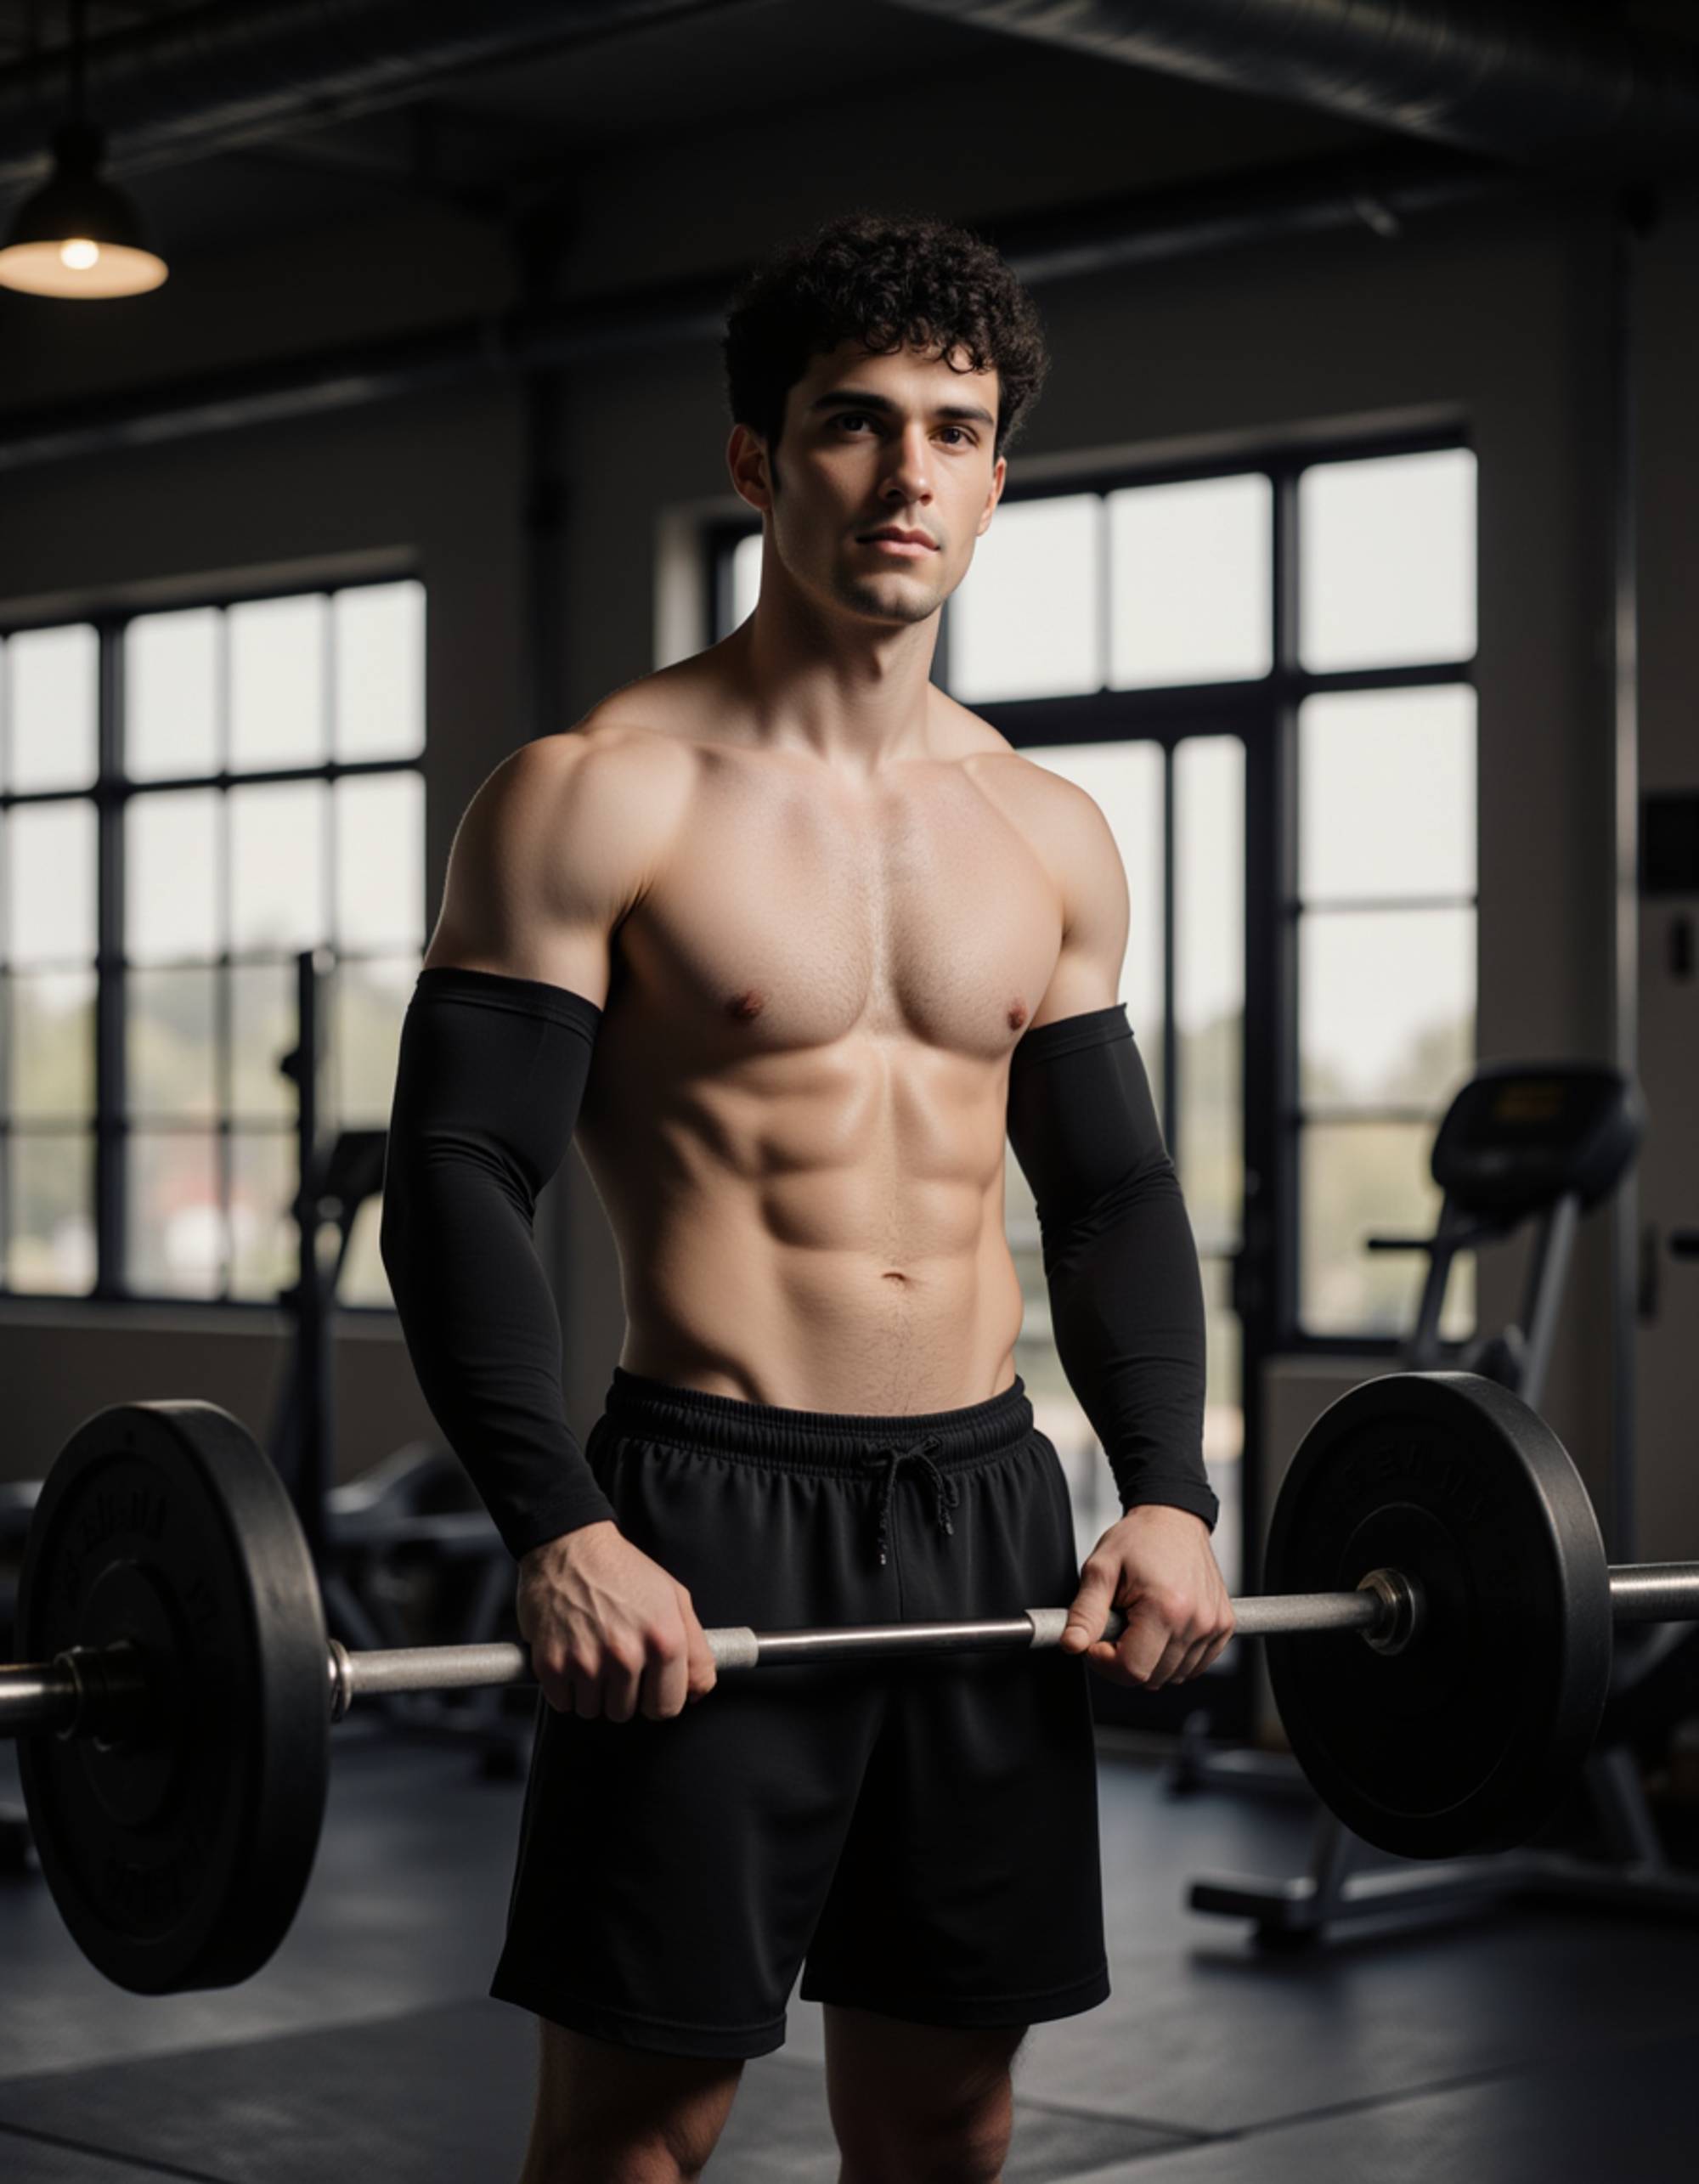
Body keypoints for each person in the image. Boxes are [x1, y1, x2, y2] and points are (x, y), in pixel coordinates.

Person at [380, 207, 1234, 2184]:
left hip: (989, 1508)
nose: (908, 471)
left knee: (950, 2108)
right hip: (705, 1500)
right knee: (637, 2123)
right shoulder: (600, 791)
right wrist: (557, 1525)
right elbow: (458, 1171)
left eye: (955, 427)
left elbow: (1109, 1198)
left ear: (998, 477)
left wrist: (1169, 1491)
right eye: (856, 423)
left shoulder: (1048, 831)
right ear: (761, 461)